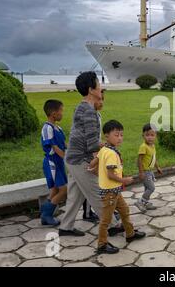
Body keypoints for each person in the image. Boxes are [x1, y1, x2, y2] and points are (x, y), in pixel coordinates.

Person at [58, 71, 121, 237]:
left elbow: (82, 136)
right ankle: (113, 225)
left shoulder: (81, 106)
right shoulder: (89, 112)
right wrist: (109, 146)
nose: (101, 88)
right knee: (97, 193)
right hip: (79, 160)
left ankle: (65, 227)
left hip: (71, 158)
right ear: (91, 89)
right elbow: (92, 144)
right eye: (98, 84)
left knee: (75, 196)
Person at [89, 120, 146, 254]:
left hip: (114, 190)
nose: (120, 138)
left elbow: (93, 162)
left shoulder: (104, 149)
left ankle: (130, 234)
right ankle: (102, 245)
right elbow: (110, 174)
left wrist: (93, 166)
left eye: (121, 135)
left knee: (124, 210)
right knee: (106, 219)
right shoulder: (111, 153)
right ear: (106, 136)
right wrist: (124, 180)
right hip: (110, 191)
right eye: (116, 135)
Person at [40, 100, 67, 226]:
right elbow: (53, 146)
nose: (62, 113)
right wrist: (65, 157)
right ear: (53, 113)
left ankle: (45, 215)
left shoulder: (58, 128)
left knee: (55, 191)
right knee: (63, 190)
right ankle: (46, 214)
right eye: (61, 110)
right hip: (52, 163)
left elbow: (62, 144)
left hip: (59, 162)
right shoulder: (47, 128)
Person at [82, 89, 105, 223]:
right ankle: (87, 213)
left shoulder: (98, 115)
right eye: (99, 99)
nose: (101, 102)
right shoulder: (89, 116)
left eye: (103, 99)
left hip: (96, 152)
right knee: (90, 185)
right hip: (88, 154)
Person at [134, 123, 162, 212]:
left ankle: (145, 203)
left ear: (155, 136)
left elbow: (154, 158)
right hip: (145, 172)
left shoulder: (152, 146)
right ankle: (141, 201)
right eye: (147, 135)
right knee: (151, 188)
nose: (150, 137)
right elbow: (139, 160)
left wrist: (157, 167)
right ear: (143, 136)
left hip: (150, 171)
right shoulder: (143, 147)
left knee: (147, 188)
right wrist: (141, 172)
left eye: (152, 135)